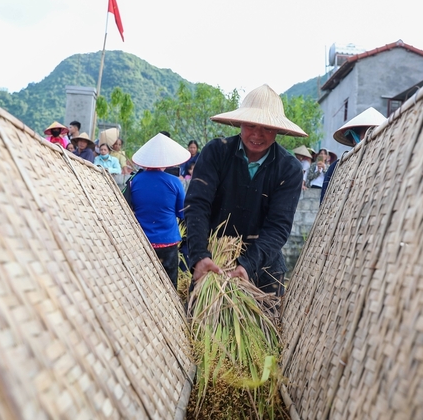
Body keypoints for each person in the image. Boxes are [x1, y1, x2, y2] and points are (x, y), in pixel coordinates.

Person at [184, 84, 307, 295]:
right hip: (213, 260)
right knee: (199, 321)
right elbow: (197, 205)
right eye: (251, 126)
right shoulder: (216, 152)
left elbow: (278, 226)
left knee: (267, 325)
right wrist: (200, 256)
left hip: (263, 264)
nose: (257, 135)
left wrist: (248, 264)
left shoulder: (289, 169)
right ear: (240, 122)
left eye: (267, 128)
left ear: (277, 129)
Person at [129, 133, 190, 289]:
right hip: (167, 242)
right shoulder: (175, 182)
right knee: (169, 285)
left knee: (143, 285)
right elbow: (182, 212)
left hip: (142, 241)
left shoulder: (135, 181)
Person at [320, 107, 388, 203]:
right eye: (367, 132)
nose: (372, 136)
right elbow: (324, 204)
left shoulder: (388, 162)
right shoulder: (336, 168)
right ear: (353, 138)